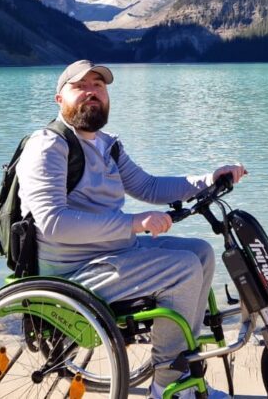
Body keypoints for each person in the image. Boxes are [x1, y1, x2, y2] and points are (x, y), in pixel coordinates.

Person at [17, 60, 246, 399]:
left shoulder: (108, 145)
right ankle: (166, 385)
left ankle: (182, 367)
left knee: (200, 252)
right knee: (181, 269)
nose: (92, 92)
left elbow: (150, 187)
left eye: (99, 85)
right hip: (73, 271)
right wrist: (133, 223)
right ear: (59, 98)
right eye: (80, 86)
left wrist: (208, 180)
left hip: (112, 254)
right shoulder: (49, 145)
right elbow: (53, 222)